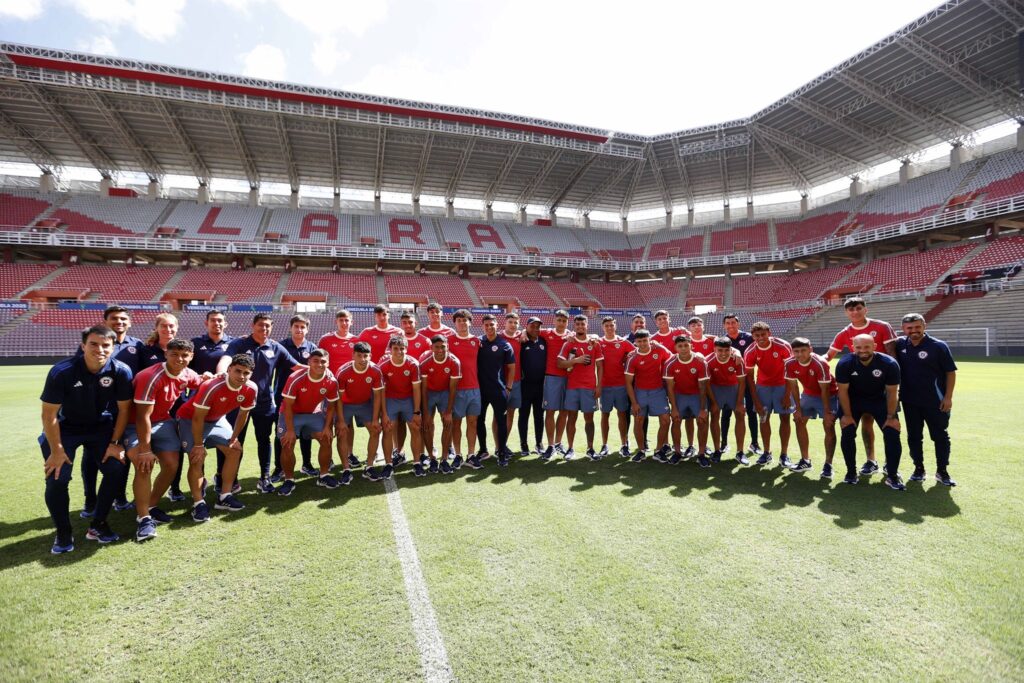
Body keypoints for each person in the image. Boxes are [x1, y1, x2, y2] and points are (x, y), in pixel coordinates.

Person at [40, 325, 133, 553]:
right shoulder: (62, 371)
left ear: (112, 348)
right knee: (57, 478)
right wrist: (57, 449)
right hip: (65, 429)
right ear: (83, 346)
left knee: (115, 468)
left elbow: (123, 410)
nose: (99, 350)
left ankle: (98, 524)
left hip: (100, 428)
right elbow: (49, 414)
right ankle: (63, 532)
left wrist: (114, 444)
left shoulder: (121, 371)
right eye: (93, 344)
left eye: (105, 345)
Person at [124, 339, 205, 541]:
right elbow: (142, 416)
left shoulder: (187, 373)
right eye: (175, 354)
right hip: (135, 425)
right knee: (145, 464)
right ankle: (143, 519)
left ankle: (150, 506)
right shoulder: (150, 377)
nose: (180, 359)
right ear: (166, 354)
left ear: (191, 357)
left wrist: (210, 376)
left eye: (185, 355)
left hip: (162, 422)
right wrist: (145, 449)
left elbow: (199, 381)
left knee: (171, 465)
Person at [216, 313, 304, 494]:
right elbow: (225, 359)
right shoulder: (239, 344)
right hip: (236, 401)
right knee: (232, 439)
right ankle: (227, 478)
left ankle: (265, 478)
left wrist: (321, 369)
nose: (264, 329)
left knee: (264, 440)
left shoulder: (276, 347)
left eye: (267, 326)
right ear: (253, 325)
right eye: (261, 325)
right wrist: (221, 373)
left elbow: (296, 366)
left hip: (264, 403)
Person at [77, 306, 144, 518]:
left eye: (124, 319)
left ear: (130, 322)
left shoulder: (137, 345)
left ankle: (120, 497)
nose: (119, 322)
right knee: (90, 456)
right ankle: (90, 500)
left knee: (120, 453)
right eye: (114, 318)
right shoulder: (95, 344)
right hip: (98, 411)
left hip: (126, 409)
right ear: (106, 322)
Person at [826, 296, 898, 476]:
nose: (855, 312)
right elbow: (828, 356)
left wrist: (893, 379)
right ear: (846, 312)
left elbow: (892, 354)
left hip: (882, 384)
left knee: (889, 427)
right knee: (865, 424)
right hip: (857, 386)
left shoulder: (882, 326)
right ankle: (871, 461)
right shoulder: (844, 333)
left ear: (865, 309)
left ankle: (890, 465)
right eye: (851, 309)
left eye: (858, 308)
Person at [177, 354, 257, 513]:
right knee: (197, 456)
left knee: (235, 450)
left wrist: (234, 438)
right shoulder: (211, 386)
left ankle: (225, 496)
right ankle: (198, 503)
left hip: (216, 420)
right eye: (238, 371)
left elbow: (243, 414)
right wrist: (199, 445)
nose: (241, 376)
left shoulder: (251, 388)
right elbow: (198, 418)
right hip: (189, 419)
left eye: (246, 373)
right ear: (229, 370)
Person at [895, 313, 957, 486]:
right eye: (909, 328)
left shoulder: (938, 346)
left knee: (940, 436)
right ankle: (918, 469)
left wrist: (948, 397)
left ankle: (942, 471)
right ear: (903, 329)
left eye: (917, 327)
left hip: (935, 401)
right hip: (910, 401)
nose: (913, 331)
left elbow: (950, 372)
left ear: (924, 326)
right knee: (914, 436)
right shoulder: (899, 345)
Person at [835, 334, 904, 489]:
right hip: (854, 401)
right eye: (858, 347)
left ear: (874, 346)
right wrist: (846, 415)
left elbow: (892, 392)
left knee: (892, 432)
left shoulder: (889, 363)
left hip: (880, 400)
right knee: (847, 431)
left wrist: (891, 416)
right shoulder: (845, 363)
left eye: (867, 347)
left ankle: (892, 475)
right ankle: (851, 472)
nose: (863, 350)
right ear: (853, 348)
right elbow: (843, 392)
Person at [277, 348, 339, 494]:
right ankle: (289, 480)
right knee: (287, 442)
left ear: (328, 363)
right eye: (315, 361)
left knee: (326, 438)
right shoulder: (295, 378)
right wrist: (291, 431)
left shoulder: (331, 381)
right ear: (309, 362)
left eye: (323, 361)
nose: (319, 364)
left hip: (312, 414)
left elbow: (331, 407)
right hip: (291, 414)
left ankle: (323, 475)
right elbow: (287, 406)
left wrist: (328, 427)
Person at [272, 315, 318, 481]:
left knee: (306, 432)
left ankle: (307, 464)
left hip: (307, 398)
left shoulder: (312, 348)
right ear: (290, 328)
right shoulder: (280, 346)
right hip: (283, 397)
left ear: (307, 329)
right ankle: (279, 468)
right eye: (296, 326)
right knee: (281, 434)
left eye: (302, 327)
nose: (299, 329)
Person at [784, 338, 838, 478]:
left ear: (810, 350)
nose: (800, 354)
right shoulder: (789, 363)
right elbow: (794, 386)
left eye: (803, 350)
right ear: (792, 352)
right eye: (796, 351)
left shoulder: (820, 363)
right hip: (808, 394)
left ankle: (828, 464)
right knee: (799, 420)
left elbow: (825, 390)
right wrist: (797, 408)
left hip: (829, 395)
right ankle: (805, 460)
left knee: (828, 425)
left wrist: (827, 413)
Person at [743, 321, 794, 468]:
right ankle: (766, 452)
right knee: (764, 419)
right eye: (757, 335)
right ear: (753, 336)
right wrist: (756, 400)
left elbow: (790, 371)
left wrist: (787, 394)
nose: (760, 338)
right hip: (763, 387)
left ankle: (784, 454)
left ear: (769, 333)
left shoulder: (782, 345)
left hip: (782, 385)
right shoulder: (750, 351)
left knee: (785, 418)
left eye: (763, 334)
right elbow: (750, 378)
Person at [335, 342, 386, 483]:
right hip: (345, 404)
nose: (363, 359)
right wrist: (340, 420)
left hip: (364, 404)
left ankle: (369, 467)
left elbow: (377, 396)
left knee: (375, 430)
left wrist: (376, 419)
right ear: (353, 355)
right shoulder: (343, 372)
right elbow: (338, 399)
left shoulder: (375, 370)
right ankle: (346, 469)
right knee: (342, 432)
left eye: (366, 356)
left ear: (370, 356)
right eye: (359, 356)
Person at [317, 308, 360, 469]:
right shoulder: (326, 339)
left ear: (351, 322)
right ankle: (328, 457)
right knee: (327, 423)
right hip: (329, 389)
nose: (344, 323)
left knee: (347, 423)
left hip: (349, 389)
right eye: (341, 320)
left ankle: (349, 453)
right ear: (336, 322)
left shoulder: (356, 340)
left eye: (347, 320)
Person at [557, 314, 603, 460]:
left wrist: (599, 386)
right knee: (572, 418)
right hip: (572, 387)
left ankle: (590, 448)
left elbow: (600, 366)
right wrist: (577, 360)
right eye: (577, 324)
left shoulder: (594, 343)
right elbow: (560, 364)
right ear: (574, 326)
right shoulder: (568, 343)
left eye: (583, 324)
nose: (580, 327)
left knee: (589, 419)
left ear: (587, 325)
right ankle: (570, 448)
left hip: (589, 387)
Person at [475, 314, 517, 467]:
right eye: (486, 325)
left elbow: (512, 368)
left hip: (499, 390)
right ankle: (483, 450)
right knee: (479, 420)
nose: (489, 327)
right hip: (480, 390)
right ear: (483, 326)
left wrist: (509, 388)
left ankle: (501, 452)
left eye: (491, 325)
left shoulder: (504, 344)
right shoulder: (478, 342)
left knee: (501, 422)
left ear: (496, 325)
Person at [379, 336, 424, 476]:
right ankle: (388, 464)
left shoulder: (413, 364)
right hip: (390, 399)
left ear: (407, 349)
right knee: (387, 430)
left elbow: (416, 389)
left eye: (402, 348)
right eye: (396, 349)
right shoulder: (383, 364)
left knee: (415, 428)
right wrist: (384, 413)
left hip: (408, 400)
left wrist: (417, 412)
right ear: (390, 350)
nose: (399, 352)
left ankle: (417, 463)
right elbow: (381, 391)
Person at [624, 330, 672, 462]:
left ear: (649, 339)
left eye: (645, 340)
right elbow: (628, 383)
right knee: (638, 421)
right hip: (641, 393)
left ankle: (658, 450)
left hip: (658, 391)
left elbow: (673, 358)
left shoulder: (659, 350)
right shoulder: (632, 358)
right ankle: (641, 451)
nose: (643, 343)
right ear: (635, 343)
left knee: (666, 420)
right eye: (639, 341)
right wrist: (634, 402)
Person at [664, 336, 711, 467]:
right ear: (675, 348)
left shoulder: (701, 362)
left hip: (696, 395)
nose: (683, 348)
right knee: (676, 420)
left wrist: (702, 409)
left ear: (691, 346)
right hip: (680, 396)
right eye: (680, 346)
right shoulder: (670, 363)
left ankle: (701, 454)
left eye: (686, 345)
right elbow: (670, 387)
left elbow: (702, 387)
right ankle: (677, 452)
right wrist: (673, 408)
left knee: (702, 421)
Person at [394, 311, 432, 464]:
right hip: (399, 391)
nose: (407, 325)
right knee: (398, 423)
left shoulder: (424, 341)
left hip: (419, 389)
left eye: (410, 322)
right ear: (401, 324)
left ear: (416, 323)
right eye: (404, 323)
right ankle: (400, 452)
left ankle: (422, 453)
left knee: (420, 422)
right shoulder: (395, 341)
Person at [419, 335, 461, 474]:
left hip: (445, 393)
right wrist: (425, 413)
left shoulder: (454, 362)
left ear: (447, 346)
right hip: (429, 393)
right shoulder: (425, 363)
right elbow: (423, 389)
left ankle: (443, 459)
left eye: (443, 346)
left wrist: (448, 412)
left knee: (448, 423)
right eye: (436, 347)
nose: (440, 350)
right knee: (426, 425)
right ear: (431, 348)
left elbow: (453, 389)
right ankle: (432, 458)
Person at [447, 309, 482, 469]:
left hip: (474, 388)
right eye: (459, 320)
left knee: (472, 422)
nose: (462, 323)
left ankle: (471, 454)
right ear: (455, 323)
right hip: (456, 390)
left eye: (465, 320)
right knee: (456, 423)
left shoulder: (476, 341)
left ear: (470, 322)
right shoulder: (448, 341)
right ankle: (458, 455)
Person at [722, 313, 760, 457]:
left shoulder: (749, 338)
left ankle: (754, 443)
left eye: (733, 322)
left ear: (738, 324)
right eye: (728, 323)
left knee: (751, 412)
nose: (731, 325)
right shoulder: (723, 340)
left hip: (748, 381)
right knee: (726, 413)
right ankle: (724, 443)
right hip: (730, 383)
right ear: (724, 326)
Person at [598, 316, 635, 458]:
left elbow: (637, 352)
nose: (609, 328)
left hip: (621, 385)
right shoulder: (598, 342)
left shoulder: (623, 343)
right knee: (605, 415)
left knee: (622, 415)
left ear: (615, 326)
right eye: (606, 325)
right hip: (605, 386)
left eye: (611, 325)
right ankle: (604, 444)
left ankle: (624, 444)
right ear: (603, 327)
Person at [707, 336, 747, 464]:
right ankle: (717, 450)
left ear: (731, 349)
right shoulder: (708, 361)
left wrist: (740, 402)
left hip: (733, 389)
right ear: (715, 349)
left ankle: (740, 452)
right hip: (716, 390)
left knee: (740, 415)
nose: (723, 353)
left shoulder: (737, 360)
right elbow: (707, 384)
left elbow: (742, 382)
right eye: (720, 350)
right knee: (714, 416)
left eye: (726, 350)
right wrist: (713, 402)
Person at [538, 310, 572, 459]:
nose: (561, 323)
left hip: (569, 378)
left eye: (564, 321)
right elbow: (528, 331)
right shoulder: (546, 333)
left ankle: (558, 442)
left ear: (567, 322)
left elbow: (590, 337)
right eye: (559, 320)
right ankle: (550, 445)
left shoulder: (571, 335)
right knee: (550, 411)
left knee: (564, 411)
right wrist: (524, 334)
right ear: (554, 321)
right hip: (551, 377)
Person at [517, 317, 546, 457]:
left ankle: (539, 443)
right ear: (526, 327)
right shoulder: (521, 340)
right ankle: (523, 444)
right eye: (532, 326)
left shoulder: (543, 341)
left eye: (538, 326)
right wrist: (522, 332)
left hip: (541, 386)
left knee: (539, 416)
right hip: (525, 386)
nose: (535, 329)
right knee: (524, 415)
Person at [497, 312, 523, 459]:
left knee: (510, 414)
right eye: (510, 322)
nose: (513, 325)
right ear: (505, 323)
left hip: (517, 381)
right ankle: (497, 446)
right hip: (500, 382)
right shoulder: (499, 337)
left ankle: (504, 445)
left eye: (515, 322)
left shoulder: (521, 337)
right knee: (499, 415)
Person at [189, 309, 233, 375]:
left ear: (225, 324)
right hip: (201, 384)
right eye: (213, 320)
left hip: (224, 384)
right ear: (206, 323)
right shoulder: (195, 342)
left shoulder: (234, 343)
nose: (216, 323)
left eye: (220, 320)